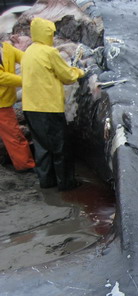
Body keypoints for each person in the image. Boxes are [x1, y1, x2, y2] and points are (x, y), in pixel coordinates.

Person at [21, 17, 85, 190]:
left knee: (42, 147)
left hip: (30, 107)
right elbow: (67, 76)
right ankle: (66, 183)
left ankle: (46, 182)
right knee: (60, 147)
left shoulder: (29, 51)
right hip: (47, 107)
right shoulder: (50, 52)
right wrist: (79, 71)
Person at [0, 40, 35, 172]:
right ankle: (25, 165)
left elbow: (25, 58)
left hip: (4, 102)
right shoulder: (6, 48)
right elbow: (1, 77)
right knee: (14, 136)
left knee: (13, 135)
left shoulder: (6, 48)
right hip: (2, 104)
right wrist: (28, 81)